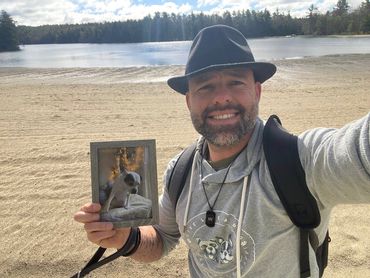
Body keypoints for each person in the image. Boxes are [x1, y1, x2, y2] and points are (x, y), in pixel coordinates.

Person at [74, 25, 370, 277]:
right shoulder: (181, 170)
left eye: (235, 82)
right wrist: (125, 237)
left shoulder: (300, 160)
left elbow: (357, 149)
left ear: (257, 91)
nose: (222, 97)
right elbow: (162, 238)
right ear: (189, 102)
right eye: (205, 87)